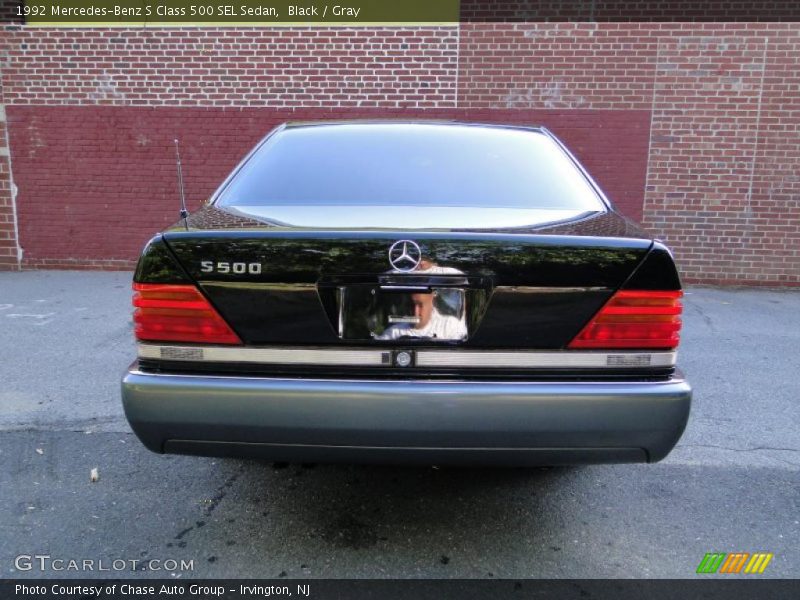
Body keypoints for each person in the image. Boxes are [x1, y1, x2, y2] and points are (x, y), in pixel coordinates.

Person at [378, 291, 467, 341]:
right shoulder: (394, 333)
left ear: (431, 303)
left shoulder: (451, 326)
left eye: (420, 305)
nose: (415, 312)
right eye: (411, 305)